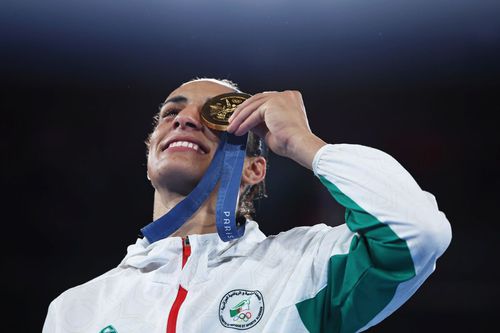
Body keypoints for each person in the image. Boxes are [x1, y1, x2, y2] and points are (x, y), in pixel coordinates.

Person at [43, 78, 452, 333]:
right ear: (150, 157)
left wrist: (304, 143)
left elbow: (417, 231)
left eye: (213, 117)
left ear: (254, 169)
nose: (184, 120)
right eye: (171, 112)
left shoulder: (304, 270)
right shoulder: (75, 310)